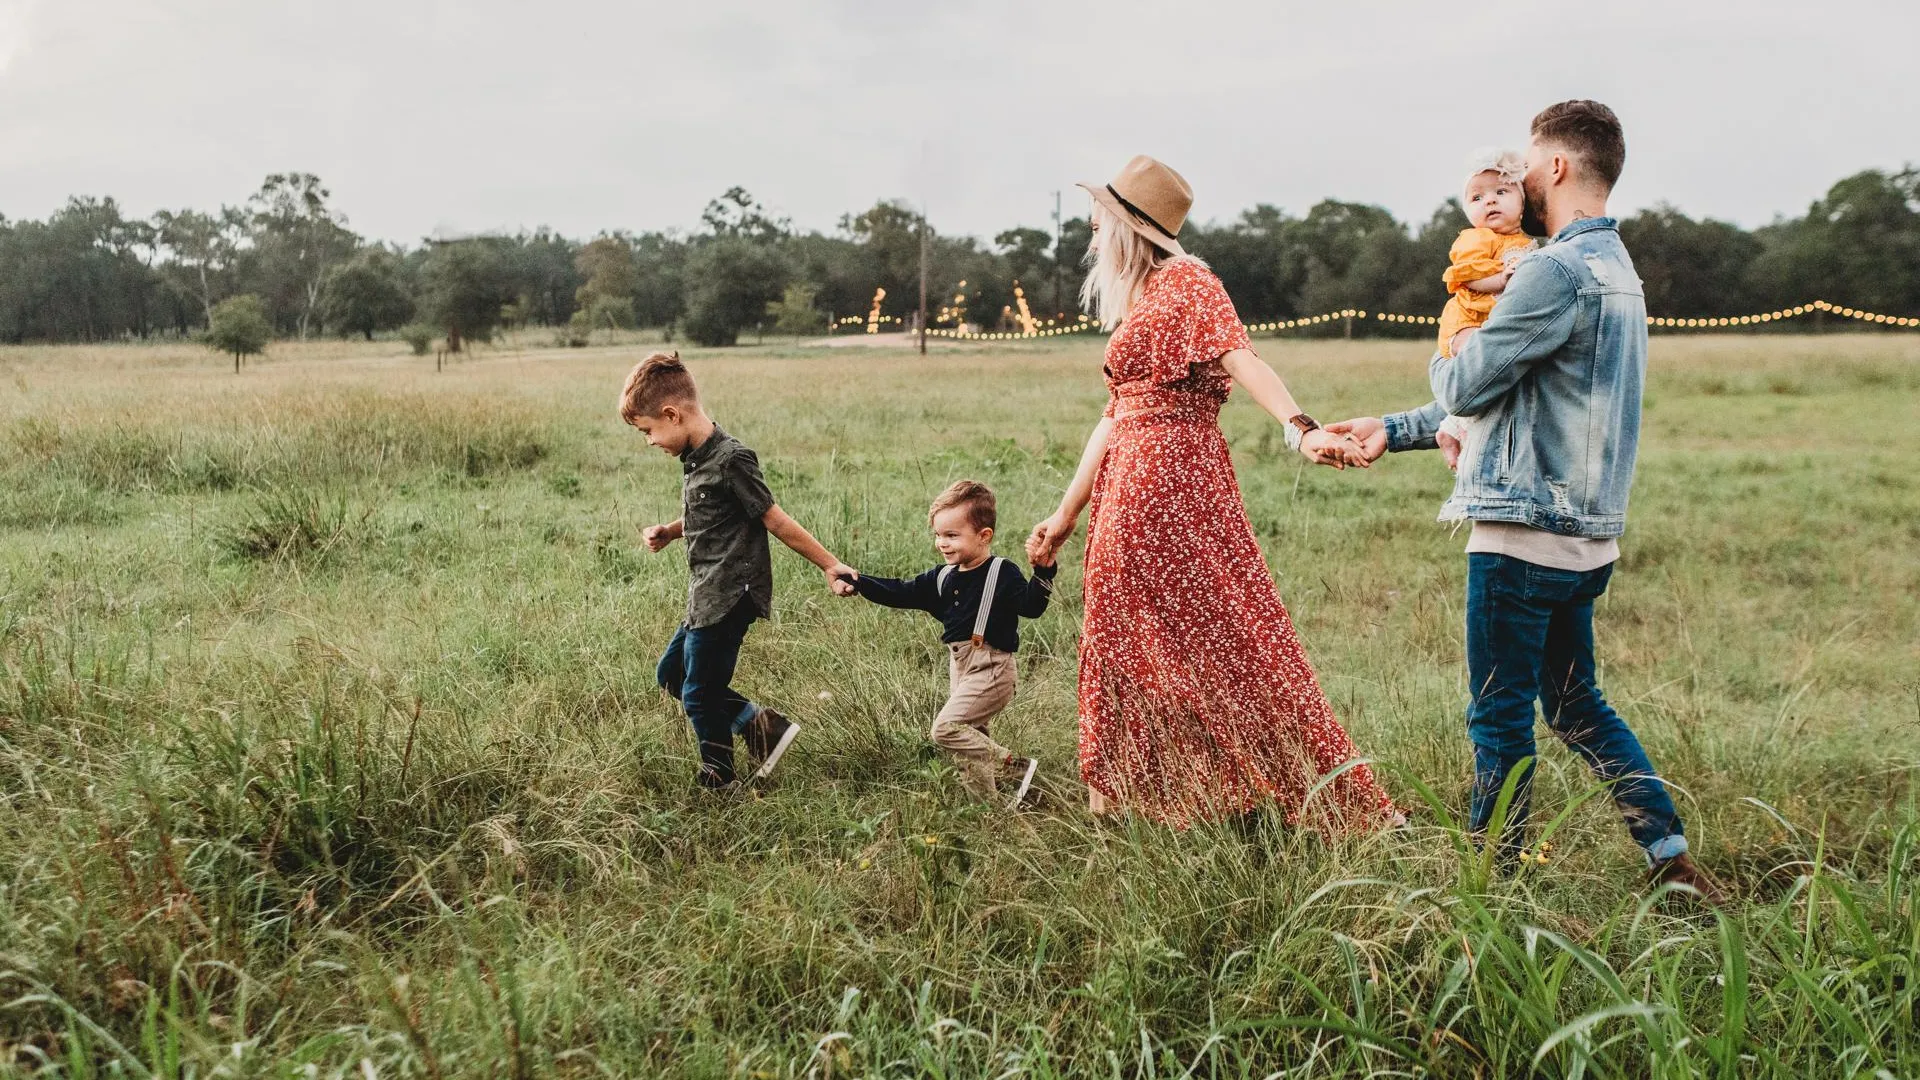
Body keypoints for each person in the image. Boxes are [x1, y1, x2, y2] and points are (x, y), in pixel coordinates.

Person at [1328, 101, 1725, 902]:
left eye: (1528, 165)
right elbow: (1520, 394)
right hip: (1586, 539)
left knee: (1497, 716)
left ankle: (1490, 884)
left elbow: (1471, 381)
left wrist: (1452, 347)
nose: (1517, 180)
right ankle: (1669, 857)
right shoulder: (1619, 271)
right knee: (1576, 704)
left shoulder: (1550, 270)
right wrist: (1395, 428)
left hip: (1521, 535)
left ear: (1557, 168)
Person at [1025, 154, 1398, 829]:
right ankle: (1130, 802)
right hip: (1129, 482)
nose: (1089, 227)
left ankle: (1287, 793)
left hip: (1171, 479)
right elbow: (1113, 416)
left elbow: (1242, 357)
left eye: (1099, 216)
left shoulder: (1189, 282)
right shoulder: (1140, 298)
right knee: (1123, 639)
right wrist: (1065, 513)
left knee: (1226, 634)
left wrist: (1300, 428)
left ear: (1129, 225)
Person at [620, 351, 859, 792]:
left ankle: (720, 777)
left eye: (648, 431)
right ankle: (762, 728)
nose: (649, 441)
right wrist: (672, 531)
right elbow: (711, 514)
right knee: (672, 675)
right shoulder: (696, 459)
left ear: (672, 414)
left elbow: (773, 518)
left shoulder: (732, 459)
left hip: (731, 593)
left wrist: (831, 565)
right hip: (706, 592)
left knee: (699, 692)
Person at [842, 480, 1053, 807]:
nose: (942, 543)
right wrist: (859, 582)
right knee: (971, 743)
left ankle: (1014, 767)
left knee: (947, 729)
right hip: (961, 668)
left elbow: (1032, 607)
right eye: (938, 535)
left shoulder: (1001, 572)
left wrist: (1044, 571)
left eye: (952, 535)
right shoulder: (942, 577)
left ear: (984, 536)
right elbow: (900, 591)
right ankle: (988, 810)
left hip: (993, 669)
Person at [1434, 148, 1537, 472]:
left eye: (1501, 192)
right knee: (1480, 367)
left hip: (1491, 319)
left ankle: (1451, 430)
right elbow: (1467, 276)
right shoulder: (1476, 238)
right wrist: (1501, 279)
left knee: (1494, 376)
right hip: (1467, 319)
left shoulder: (1525, 243)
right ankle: (1457, 435)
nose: (1489, 201)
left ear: (1522, 203)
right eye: (1477, 198)